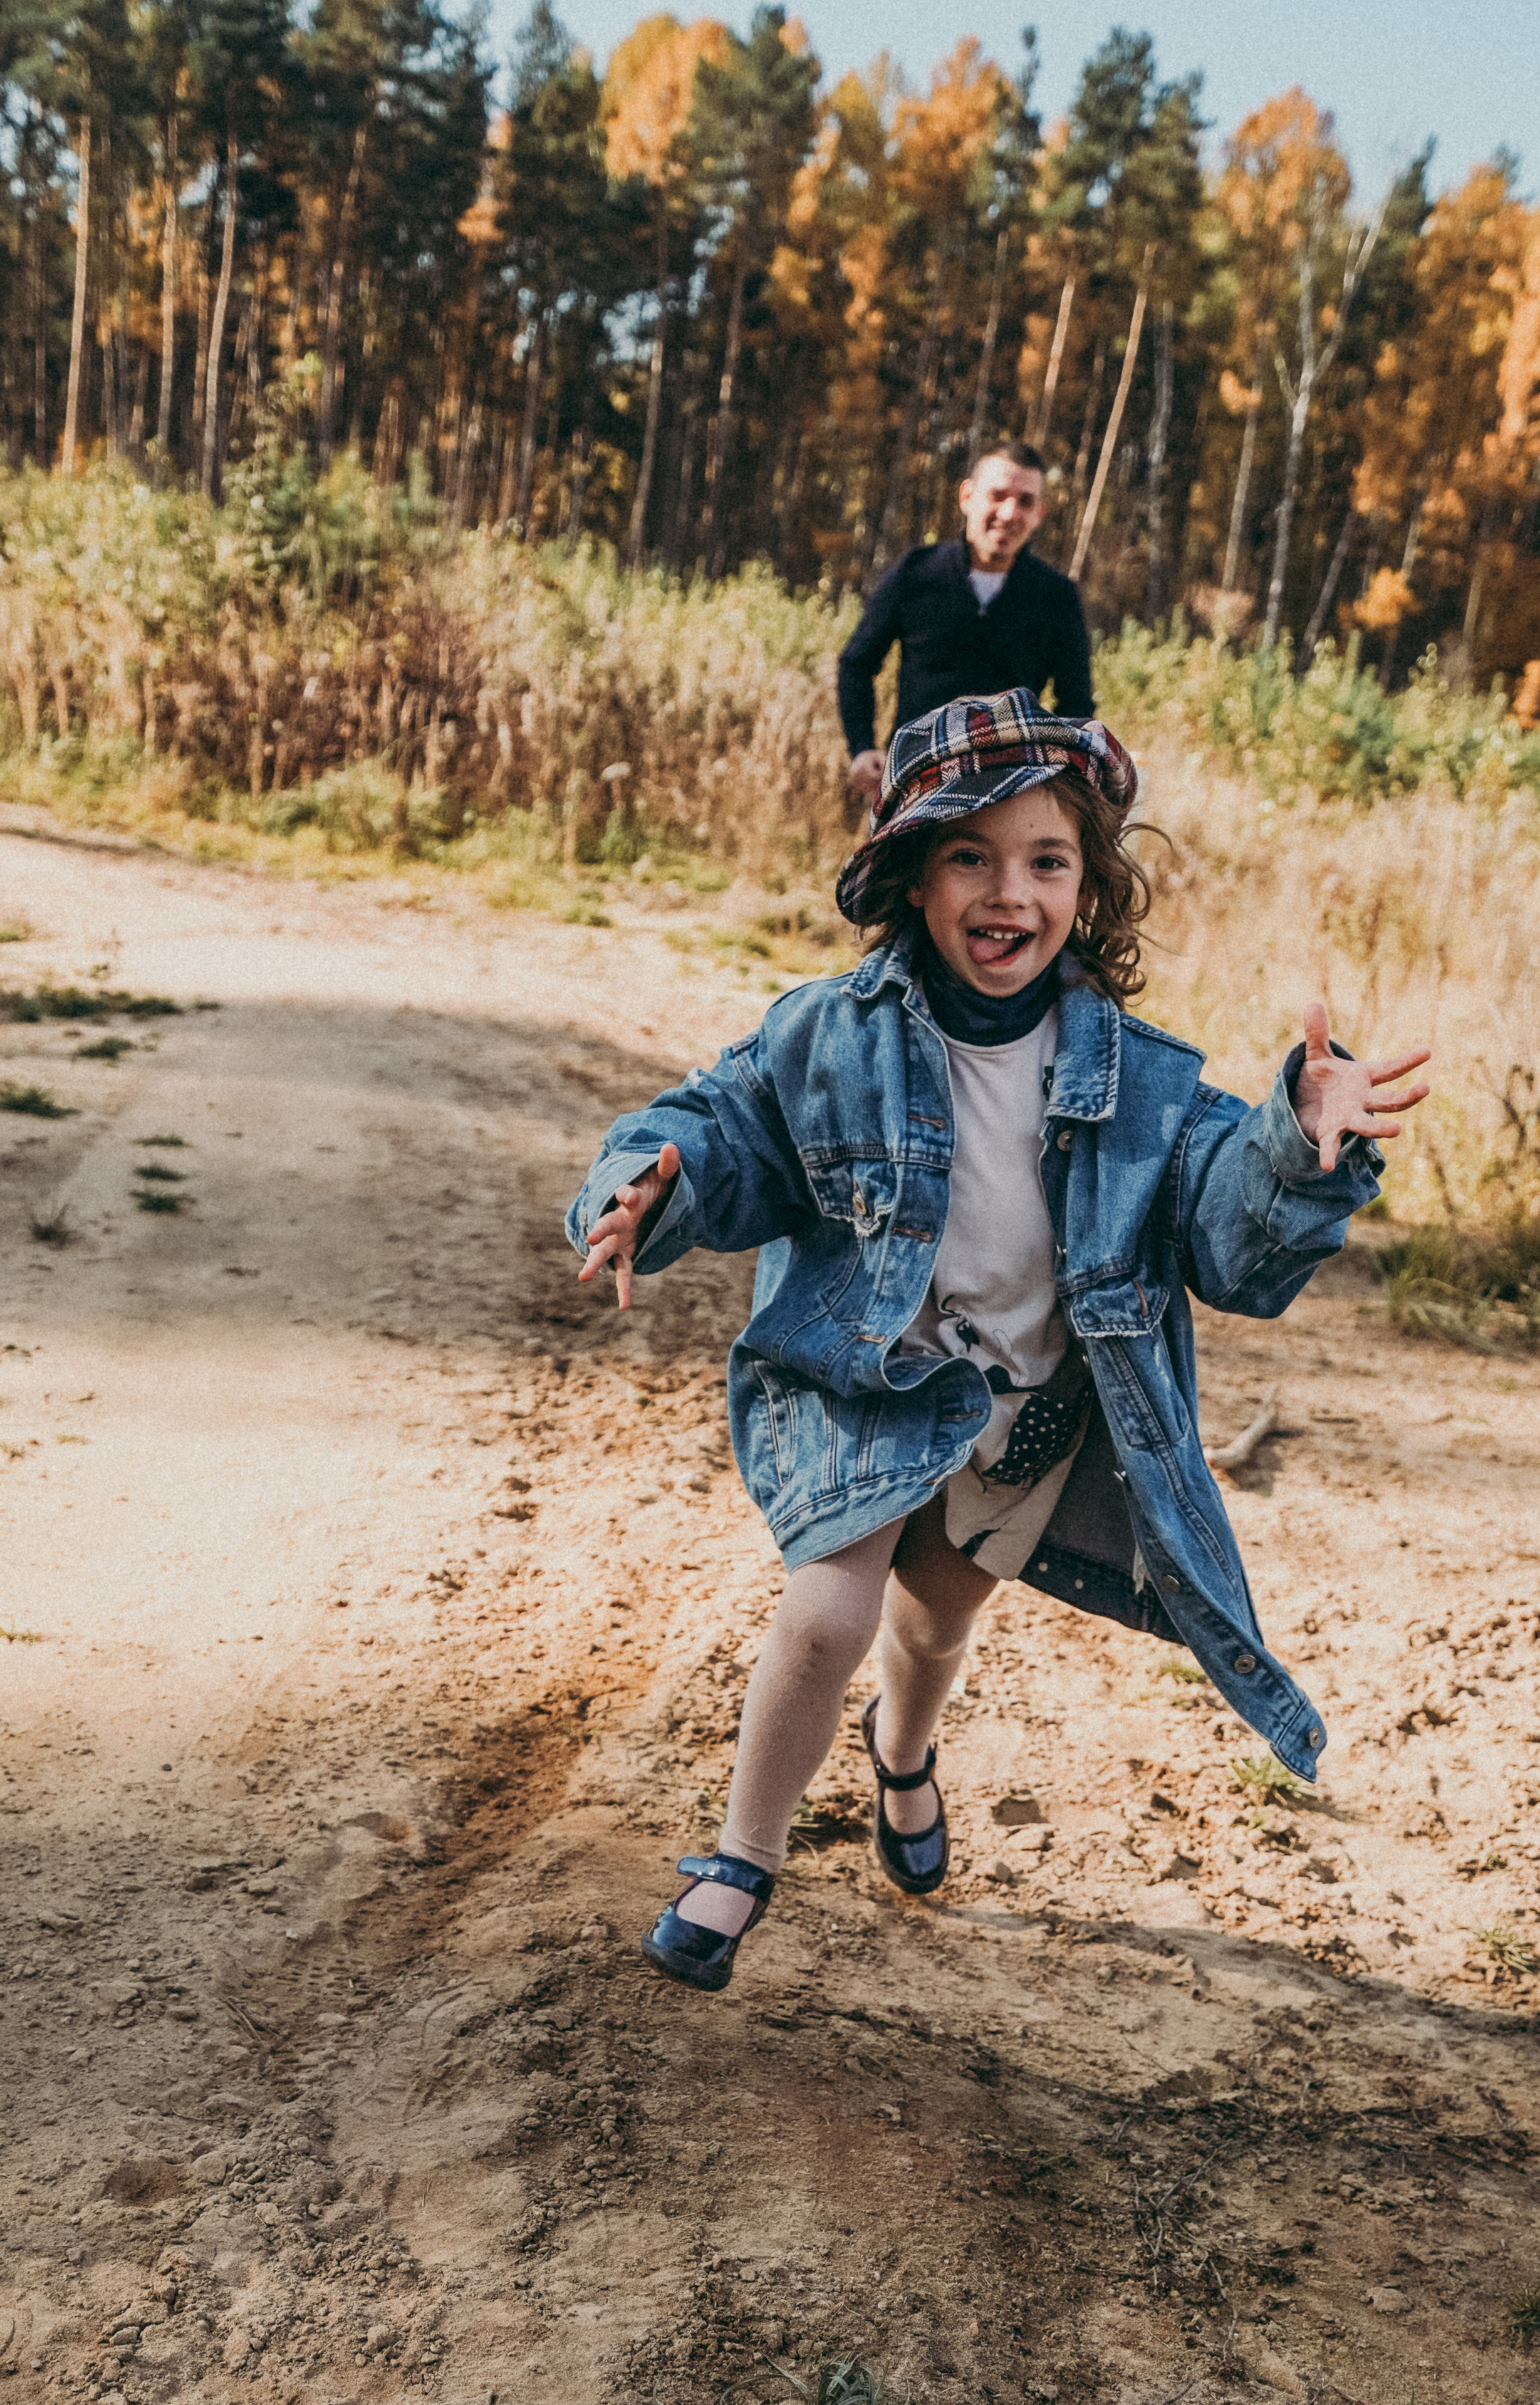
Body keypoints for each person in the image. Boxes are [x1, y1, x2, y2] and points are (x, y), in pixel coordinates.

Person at [565, 689, 1430, 1995]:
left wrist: (1297, 1149)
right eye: (967, 854)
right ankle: (743, 1855)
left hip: (1025, 1410)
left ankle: (901, 1754)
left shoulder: (1141, 1081)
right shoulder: (831, 1035)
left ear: (1087, 888)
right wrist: (654, 1183)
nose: (1004, 892)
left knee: (933, 1617)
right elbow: (726, 1127)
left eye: (1044, 860)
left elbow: (1223, 1236)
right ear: (910, 876)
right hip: (868, 1375)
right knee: (831, 1603)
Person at [838, 442, 1093, 808]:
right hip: (912, 784)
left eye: (1025, 501)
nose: (1009, 513)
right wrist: (862, 747)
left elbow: (1076, 703)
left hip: (1008, 794)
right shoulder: (917, 573)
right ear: (967, 496)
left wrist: (1061, 778)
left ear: (1039, 513)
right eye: (997, 495)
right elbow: (856, 664)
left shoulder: (1056, 597)